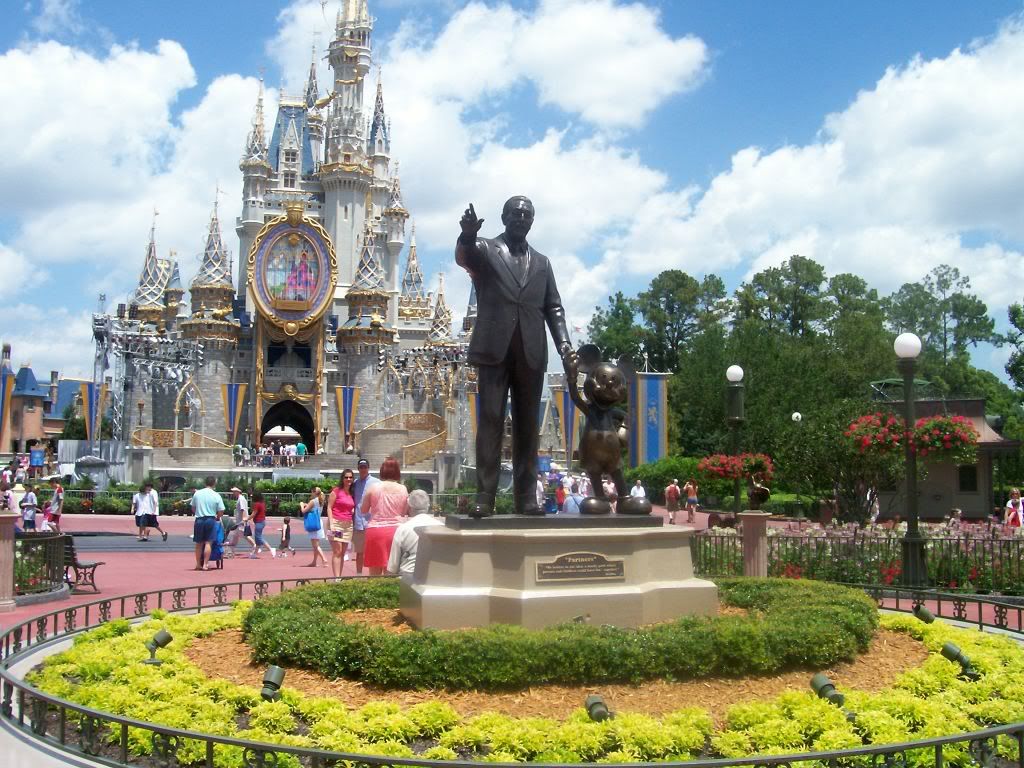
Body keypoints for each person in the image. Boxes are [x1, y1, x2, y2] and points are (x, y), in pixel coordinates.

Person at [456, 197, 576, 516]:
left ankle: (526, 497)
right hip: (494, 349)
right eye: (516, 213)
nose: (521, 218)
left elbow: (554, 307)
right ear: (504, 217)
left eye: (527, 214)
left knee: (526, 426)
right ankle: (486, 496)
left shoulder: (543, 262)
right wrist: (467, 235)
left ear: (532, 221)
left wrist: (563, 344)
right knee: (491, 420)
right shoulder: (485, 249)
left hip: (531, 351)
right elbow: (464, 257)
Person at [361, 458, 409, 576]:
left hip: (376, 530)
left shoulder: (373, 487)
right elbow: (403, 512)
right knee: (392, 571)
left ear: (382, 470)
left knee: (374, 574)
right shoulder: (403, 489)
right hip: (396, 531)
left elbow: (363, 510)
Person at [387, 489, 443, 582]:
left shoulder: (403, 528)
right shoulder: (441, 526)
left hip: (408, 577)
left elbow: (392, 567)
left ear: (409, 506)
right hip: (436, 576)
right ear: (428, 505)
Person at [351, 458, 380, 575]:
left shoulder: (377, 482)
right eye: (361, 467)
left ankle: (373, 576)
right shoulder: (355, 484)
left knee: (373, 552)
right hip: (358, 522)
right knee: (359, 552)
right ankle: (359, 575)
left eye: (365, 467)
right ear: (358, 469)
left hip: (372, 522)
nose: (363, 469)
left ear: (368, 468)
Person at [326, 470, 356, 579]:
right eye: (346, 477)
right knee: (337, 551)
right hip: (336, 523)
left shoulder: (352, 493)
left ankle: (339, 576)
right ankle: (336, 578)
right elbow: (329, 507)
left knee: (343, 553)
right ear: (342, 479)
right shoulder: (336, 491)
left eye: (350, 477)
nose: (348, 479)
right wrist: (332, 523)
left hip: (348, 526)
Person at [191, 476, 225, 570]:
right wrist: (218, 517)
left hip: (199, 519)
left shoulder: (197, 494)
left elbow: (193, 507)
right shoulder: (216, 495)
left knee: (198, 543)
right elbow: (221, 510)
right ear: (214, 483)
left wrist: (198, 512)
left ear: (205, 483)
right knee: (208, 543)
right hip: (210, 519)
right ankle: (205, 564)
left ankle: (198, 564)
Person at [300, 487, 328, 567]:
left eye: (312, 492)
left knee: (315, 545)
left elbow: (303, 511)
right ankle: (314, 561)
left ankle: (324, 559)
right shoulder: (320, 500)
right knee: (316, 544)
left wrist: (302, 505)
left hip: (313, 523)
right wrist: (306, 505)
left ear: (314, 492)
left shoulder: (313, 501)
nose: (311, 493)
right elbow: (312, 508)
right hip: (318, 522)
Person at [246, 491, 274, 558]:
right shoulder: (262, 503)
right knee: (257, 538)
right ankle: (255, 554)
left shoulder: (257, 504)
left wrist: (247, 519)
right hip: (261, 521)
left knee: (258, 538)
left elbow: (254, 513)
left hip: (259, 522)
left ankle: (271, 549)